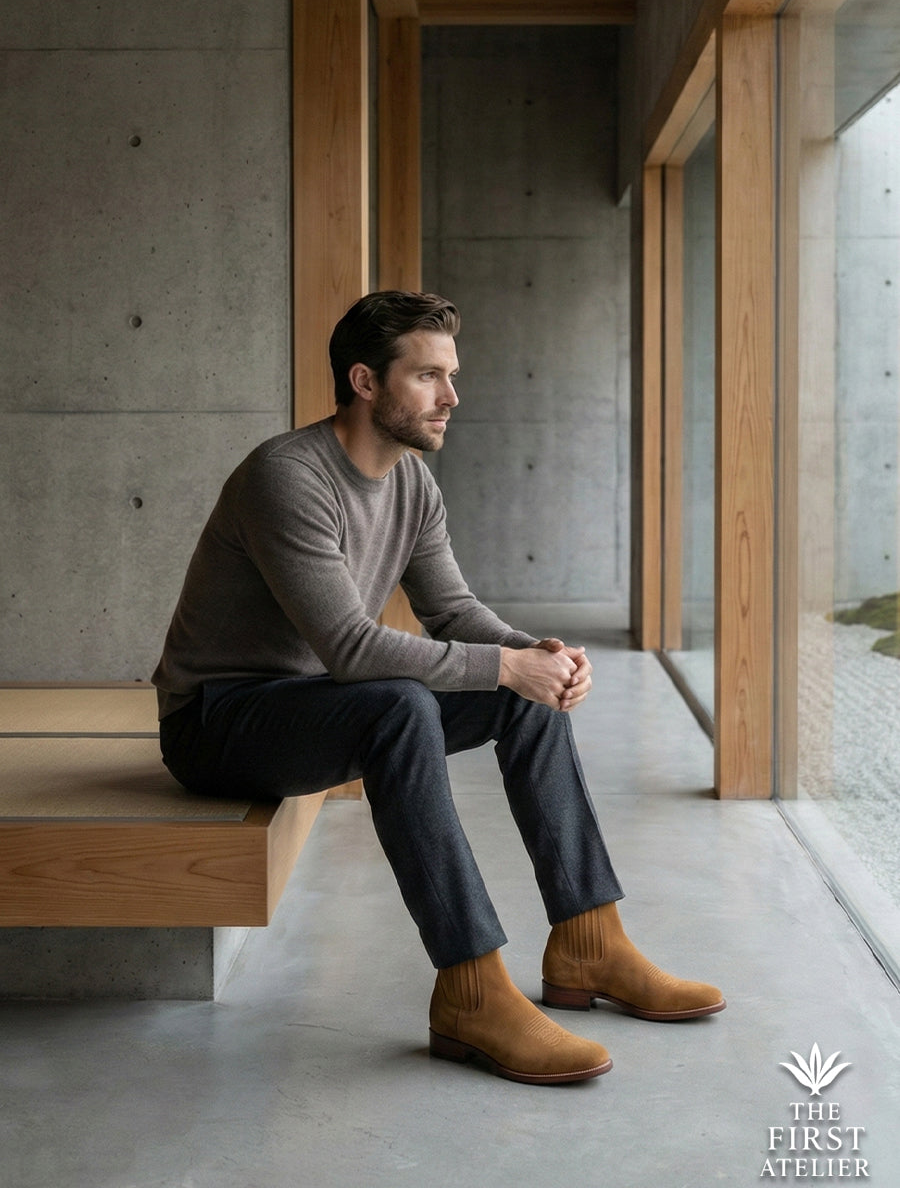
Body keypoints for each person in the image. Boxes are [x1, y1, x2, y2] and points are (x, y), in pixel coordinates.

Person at [153, 290, 725, 1086]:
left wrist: (540, 655)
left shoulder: (413, 484)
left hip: (321, 702)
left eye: (451, 376)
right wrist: (506, 665)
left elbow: (452, 611)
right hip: (221, 720)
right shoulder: (285, 478)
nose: (452, 397)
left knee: (513, 691)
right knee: (399, 703)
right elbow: (352, 647)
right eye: (428, 377)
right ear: (364, 381)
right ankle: (471, 988)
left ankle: (589, 942)